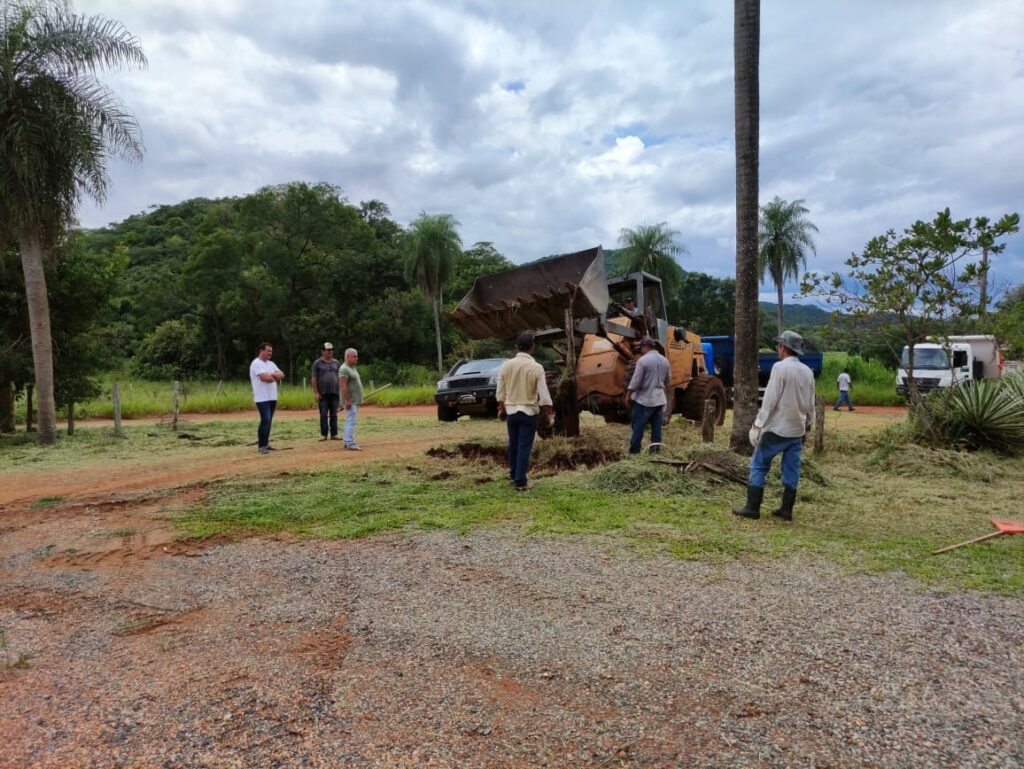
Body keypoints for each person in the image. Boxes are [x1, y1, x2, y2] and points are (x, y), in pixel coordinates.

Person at [733, 330, 816, 522]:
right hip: (797, 428)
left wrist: (758, 423)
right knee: (792, 468)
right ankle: (786, 509)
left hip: (777, 427)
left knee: (759, 464)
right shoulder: (807, 372)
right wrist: (809, 423)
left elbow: (770, 399)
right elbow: (810, 402)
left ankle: (752, 507)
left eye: (779, 346)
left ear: (783, 347)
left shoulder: (780, 368)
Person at [496, 332, 553, 491]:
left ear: (517, 347)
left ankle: (514, 475)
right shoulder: (536, 367)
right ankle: (521, 481)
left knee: (513, 444)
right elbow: (544, 393)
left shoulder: (506, 366)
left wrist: (502, 408)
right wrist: (548, 411)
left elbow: (500, 391)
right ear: (532, 347)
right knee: (524, 446)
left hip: (511, 412)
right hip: (529, 412)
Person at [626, 337, 671, 454]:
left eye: (641, 347)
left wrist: (628, 395)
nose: (641, 350)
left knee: (638, 427)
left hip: (644, 400)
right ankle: (655, 452)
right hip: (659, 400)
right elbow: (668, 380)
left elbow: (636, 381)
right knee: (656, 429)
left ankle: (634, 452)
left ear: (645, 347)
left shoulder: (643, 360)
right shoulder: (665, 360)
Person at [249, 342, 285, 455]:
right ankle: (262, 445)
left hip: (272, 397)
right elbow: (265, 378)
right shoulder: (256, 363)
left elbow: (282, 375)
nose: (270, 353)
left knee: (269, 421)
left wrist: (272, 376)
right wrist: (274, 376)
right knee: (265, 420)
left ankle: (266, 443)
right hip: (262, 398)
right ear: (261, 351)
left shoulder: (271, 364)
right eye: (268, 351)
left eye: (271, 351)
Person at [312, 342, 342, 440]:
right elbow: (314, 378)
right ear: (322, 351)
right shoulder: (317, 363)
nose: (330, 352)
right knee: (323, 414)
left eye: (331, 350)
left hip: (335, 393)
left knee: (334, 414)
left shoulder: (336, 363)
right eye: (328, 350)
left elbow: (340, 377)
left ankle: (334, 434)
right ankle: (324, 434)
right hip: (323, 393)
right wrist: (316, 392)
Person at [339, 347, 363, 450]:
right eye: (354, 356)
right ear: (348, 357)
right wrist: (347, 400)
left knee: (349, 420)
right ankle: (349, 442)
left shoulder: (352, 368)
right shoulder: (344, 369)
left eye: (357, 356)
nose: (356, 358)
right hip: (350, 401)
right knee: (351, 421)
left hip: (354, 400)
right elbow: (343, 386)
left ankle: (347, 441)